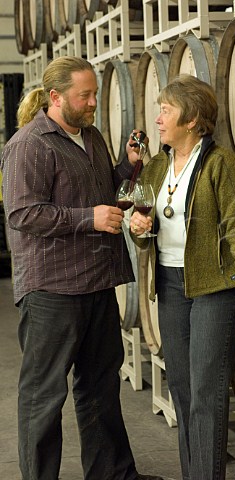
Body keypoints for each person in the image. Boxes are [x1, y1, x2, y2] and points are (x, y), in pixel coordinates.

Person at [0, 55, 163, 480]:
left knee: (100, 388)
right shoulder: (29, 144)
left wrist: (127, 166)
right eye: (84, 95)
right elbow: (22, 213)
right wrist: (86, 218)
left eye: (94, 94)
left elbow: (101, 189)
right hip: (52, 290)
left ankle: (113, 474)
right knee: (44, 396)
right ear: (55, 98)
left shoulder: (91, 137)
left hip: (96, 281)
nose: (93, 103)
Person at [129, 74, 235, 480]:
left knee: (206, 394)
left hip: (213, 288)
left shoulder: (220, 163)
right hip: (170, 286)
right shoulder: (155, 167)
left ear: (191, 120)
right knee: (183, 391)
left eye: (166, 110)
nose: (158, 118)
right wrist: (139, 231)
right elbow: (143, 224)